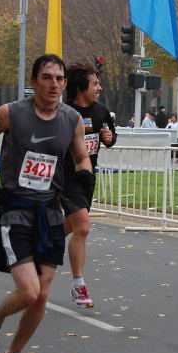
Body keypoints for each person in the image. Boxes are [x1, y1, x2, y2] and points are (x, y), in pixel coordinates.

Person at [0, 54, 93, 353]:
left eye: (59, 78)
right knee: (29, 291)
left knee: (42, 294)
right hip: (17, 211)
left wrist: (85, 174)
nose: (54, 84)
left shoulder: (72, 119)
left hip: (50, 213)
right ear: (35, 81)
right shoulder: (11, 113)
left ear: (65, 83)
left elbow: (81, 156)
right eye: (47, 77)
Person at [62, 62, 117, 307]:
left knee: (72, 225)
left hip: (87, 177)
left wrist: (109, 138)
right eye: (95, 83)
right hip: (64, 177)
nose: (99, 88)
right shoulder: (63, 111)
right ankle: (79, 285)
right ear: (80, 87)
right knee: (82, 228)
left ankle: (40, 242)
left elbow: (110, 137)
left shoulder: (101, 111)